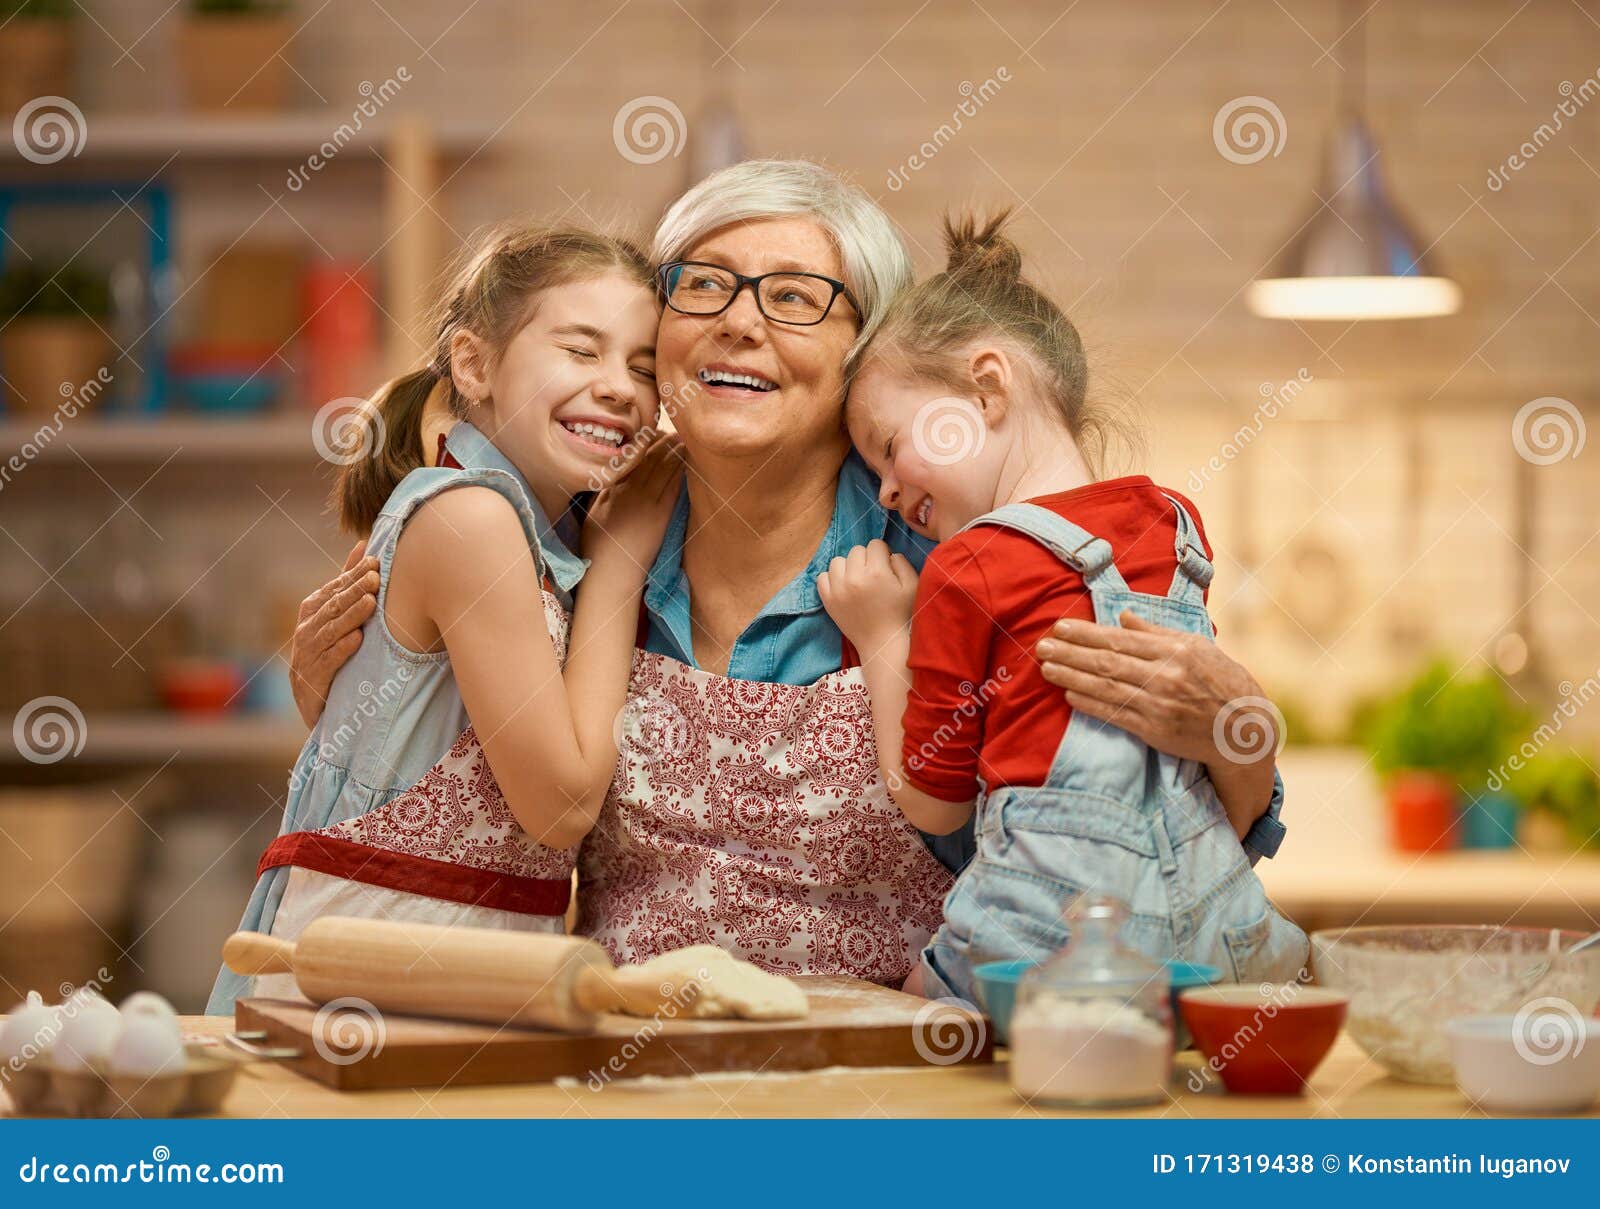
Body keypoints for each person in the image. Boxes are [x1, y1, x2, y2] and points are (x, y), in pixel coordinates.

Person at [284, 161, 1287, 990]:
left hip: (903, 1090)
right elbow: (449, 770)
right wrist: (348, 686)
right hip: (624, 1090)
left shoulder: (957, 549)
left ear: (865, 354)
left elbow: (1154, 825)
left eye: (796, 298)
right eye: (703, 285)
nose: (738, 321)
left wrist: (1236, 730)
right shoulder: (569, 529)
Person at [817, 210, 1308, 1001]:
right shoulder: (1175, 522)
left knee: (908, 1014)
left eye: (888, 444)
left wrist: (880, 634)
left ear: (985, 387)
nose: (884, 488)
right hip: (1219, 939)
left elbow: (937, 807)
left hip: (1050, 936)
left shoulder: (964, 565)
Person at [207, 225, 681, 1013]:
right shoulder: (472, 519)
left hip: (447, 967)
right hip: (375, 969)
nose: (620, 388)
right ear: (474, 363)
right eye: (580, 349)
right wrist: (622, 561)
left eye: (643, 367)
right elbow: (560, 808)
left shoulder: (531, 531)